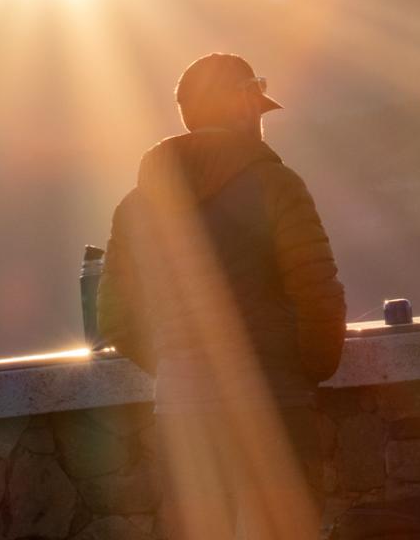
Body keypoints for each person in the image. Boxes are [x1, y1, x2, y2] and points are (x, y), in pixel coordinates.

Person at [97, 53, 347, 540]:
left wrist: (177, 360)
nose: (259, 120)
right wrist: (306, 366)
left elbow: (115, 317)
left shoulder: (135, 206)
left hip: (183, 417)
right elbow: (318, 292)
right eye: (256, 106)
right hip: (273, 407)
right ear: (238, 107)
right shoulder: (277, 185)